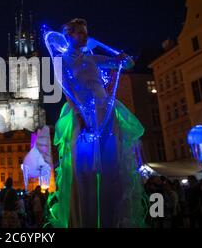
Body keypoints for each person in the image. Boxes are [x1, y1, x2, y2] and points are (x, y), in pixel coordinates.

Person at [44, 18, 144, 228]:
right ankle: (86, 219)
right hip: (83, 115)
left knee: (111, 167)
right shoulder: (61, 60)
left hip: (105, 113)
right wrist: (81, 117)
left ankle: (111, 219)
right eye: (80, 32)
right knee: (85, 170)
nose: (84, 36)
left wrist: (123, 59)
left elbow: (126, 64)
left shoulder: (91, 58)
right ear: (68, 35)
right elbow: (68, 92)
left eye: (86, 33)